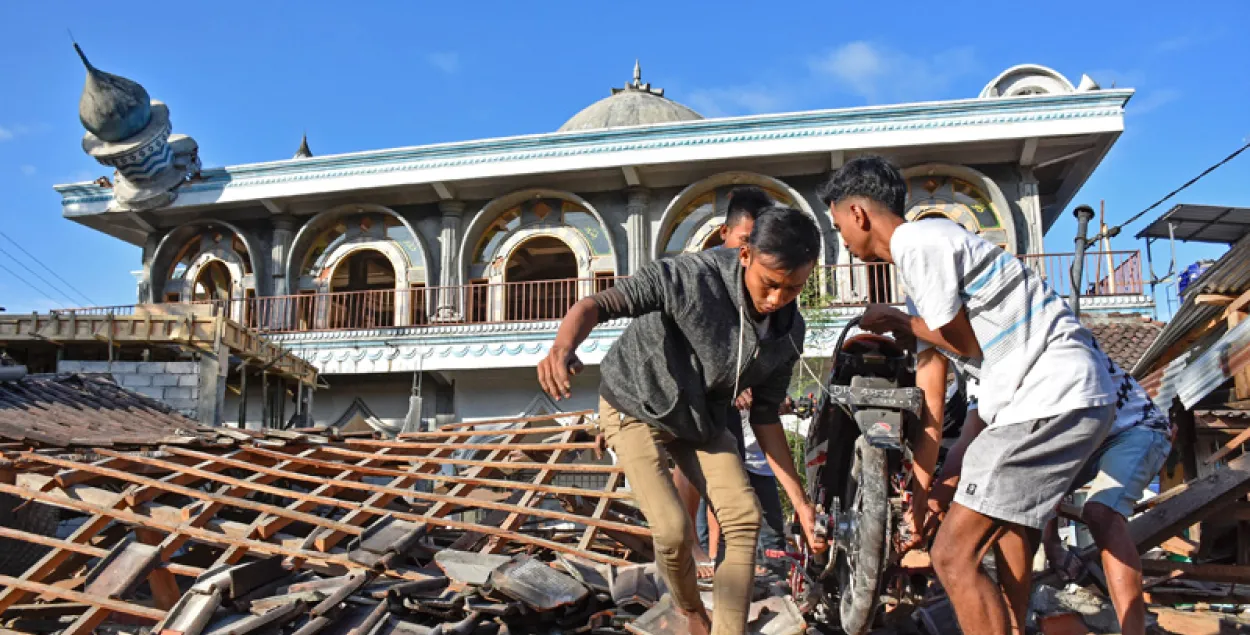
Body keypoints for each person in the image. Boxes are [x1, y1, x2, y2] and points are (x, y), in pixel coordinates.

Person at [819, 155, 1116, 635]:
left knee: (952, 556)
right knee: (1010, 533)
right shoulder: (928, 274)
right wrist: (922, 492)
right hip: (1054, 397)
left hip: (1050, 394)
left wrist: (897, 321)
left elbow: (962, 343)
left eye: (838, 227)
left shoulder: (920, 243)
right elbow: (931, 400)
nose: (845, 243)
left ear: (857, 214)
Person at [537, 207, 828, 635]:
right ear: (744, 254)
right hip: (635, 403)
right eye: (769, 284)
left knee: (743, 517)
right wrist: (563, 347)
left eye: (793, 288)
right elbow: (598, 304)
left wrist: (800, 503)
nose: (776, 299)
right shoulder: (690, 278)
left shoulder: (787, 331)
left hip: (701, 417)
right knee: (672, 530)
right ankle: (689, 609)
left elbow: (765, 418)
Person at [1040, 347, 1173, 635]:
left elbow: (1052, 462)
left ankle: (1133, 631)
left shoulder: (1056, 352)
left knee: (1101, 513)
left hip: (1137, 428)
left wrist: (1050, 542)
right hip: (1090, 436)